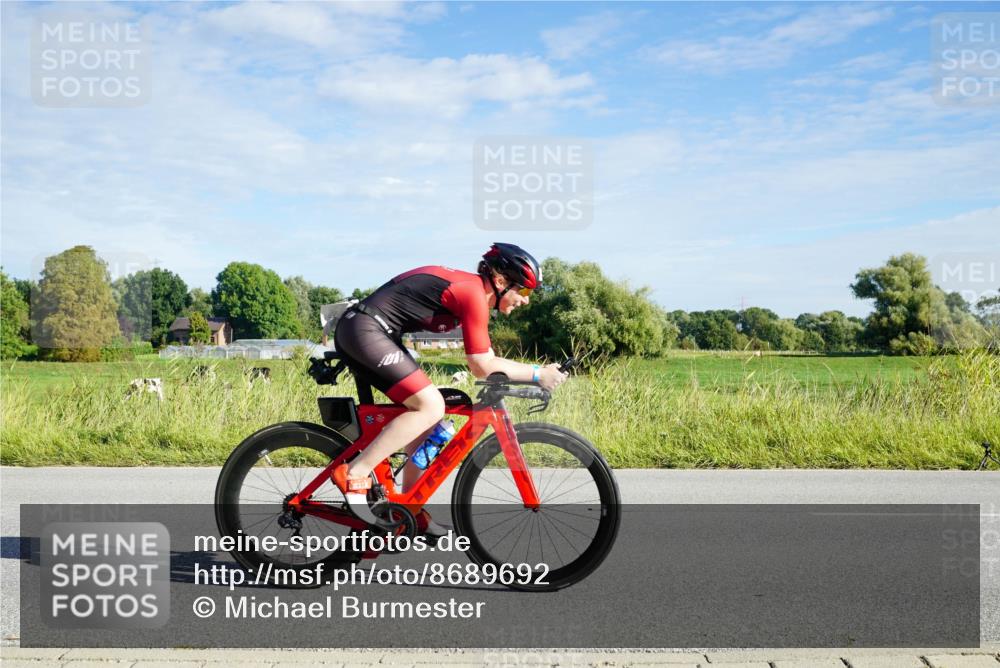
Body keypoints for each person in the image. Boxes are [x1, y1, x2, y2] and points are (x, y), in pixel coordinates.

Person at [330, 242, 568, 533]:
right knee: (430, 406)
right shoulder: (472, 293)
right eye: (525, 291)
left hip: (376, 332)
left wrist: (531, 373)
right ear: (502, 281)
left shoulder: (472, 293)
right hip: (366, 330)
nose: (526, 300)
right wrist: (537, 373)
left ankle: (407, 507)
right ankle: (355, 472)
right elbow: (482, 364)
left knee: (432, 422)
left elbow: (485, 359)